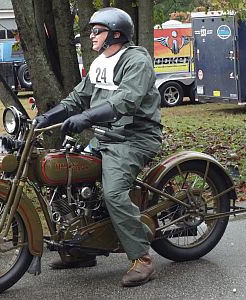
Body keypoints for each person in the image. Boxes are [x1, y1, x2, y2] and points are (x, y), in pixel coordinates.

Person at [36, 7, 162, 287]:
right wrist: (47, 117)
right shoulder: (99, 63)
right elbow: (77, 98)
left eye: (97, 30)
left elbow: (127, 100)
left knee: (114, 193)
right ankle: (81, 249)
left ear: (115, 34)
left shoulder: (135, 60)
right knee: (63, 178)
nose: (90, 36)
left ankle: (142, 259)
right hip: (105, 136)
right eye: (91, 30)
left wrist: (88, 117)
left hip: (134, 137)